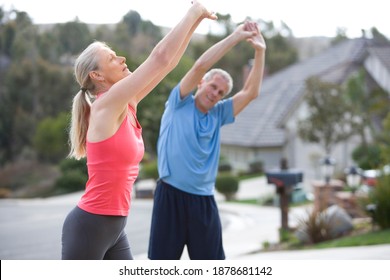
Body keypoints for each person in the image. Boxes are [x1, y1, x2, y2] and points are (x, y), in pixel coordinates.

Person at [61, 1, 217, 260]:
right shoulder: (107, 106)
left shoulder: (126, 104)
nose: (121, 59)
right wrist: (192, 11)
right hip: (90, 226)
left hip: (114, 227)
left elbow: (167, 65)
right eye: (112, 58)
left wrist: (195, 22)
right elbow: (159, 58)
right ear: (97, 76)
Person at [148, 21, 266, 260]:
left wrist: (260, 51)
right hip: (170, 196)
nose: (215, 94)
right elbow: (201, 65)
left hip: (203, 201)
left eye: (221, 93)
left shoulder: (219, 113)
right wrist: (235, 37)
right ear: (201, 83)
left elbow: (251, 92)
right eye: (213, 87)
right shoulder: (179, 102)